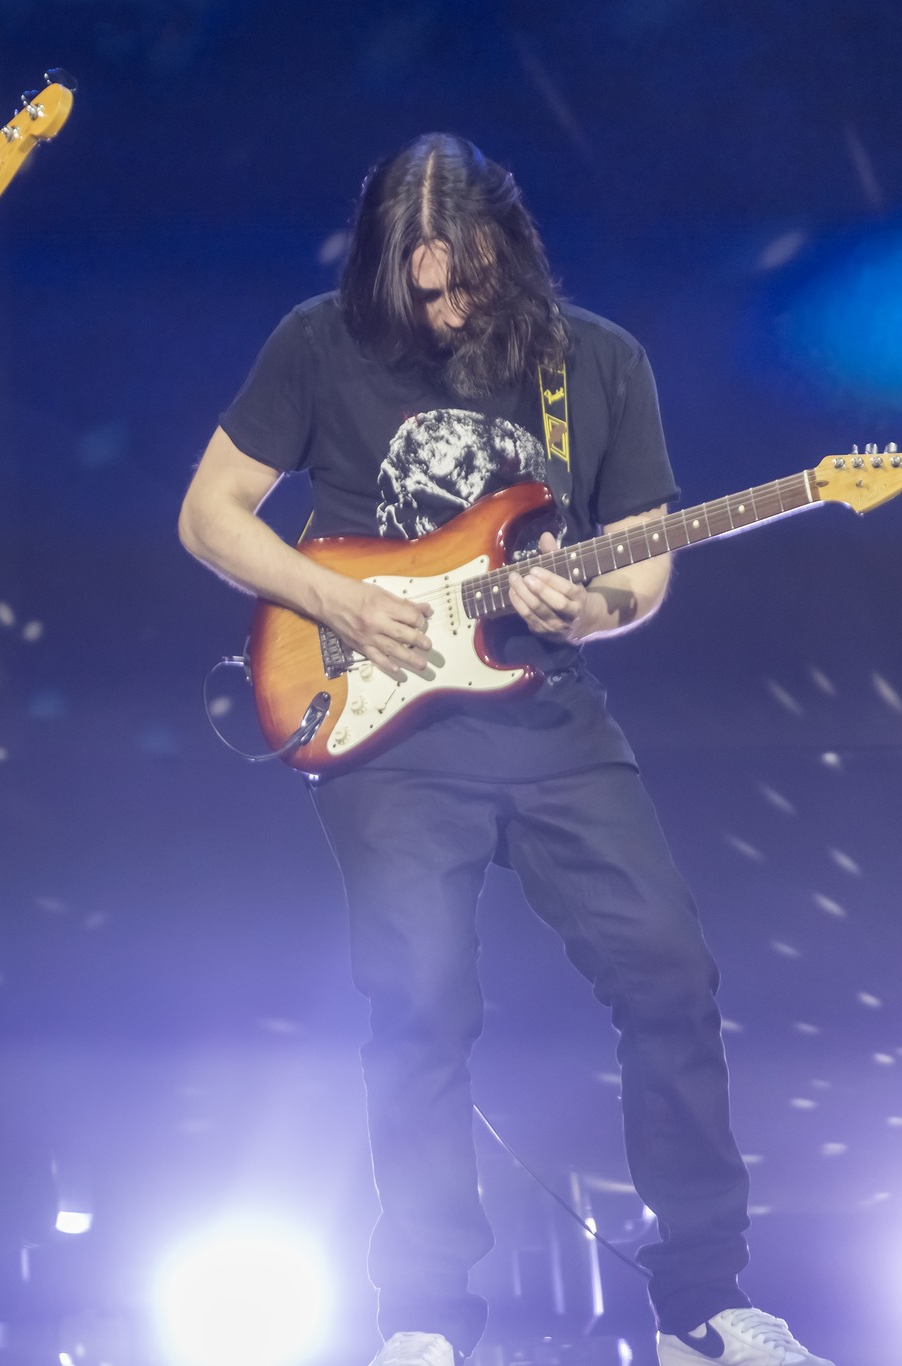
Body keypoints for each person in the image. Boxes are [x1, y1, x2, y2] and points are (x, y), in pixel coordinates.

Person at [177, 133, 832, 1366]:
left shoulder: (595, 362)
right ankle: (424, 1316)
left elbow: (640, 565)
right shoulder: (320, 341)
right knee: (418, 1000)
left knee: (670, 971)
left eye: (459, 281)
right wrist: (330, 598)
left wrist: (591, 604)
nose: (439, 308)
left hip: (550, 718)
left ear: (505, 248)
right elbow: (208, 512)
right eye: (415, 285)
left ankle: (702, 1302)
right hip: (381, 723)